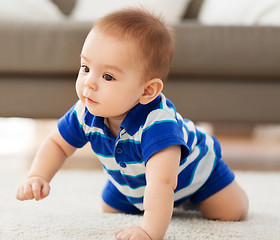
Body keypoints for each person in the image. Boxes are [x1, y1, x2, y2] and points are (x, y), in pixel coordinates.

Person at [16, 7, 249, 240]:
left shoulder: (158, 126)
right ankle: (143, 199)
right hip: (132, 183)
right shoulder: (85, 111)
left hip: (196, 175)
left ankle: (199, 199)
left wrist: (149, 231)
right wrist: (37, 175)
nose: (89, 83)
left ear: (148, 90)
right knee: (110, 209)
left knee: (230, 212)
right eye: (86, 68)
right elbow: (57, 143)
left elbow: (163, 182)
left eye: (107, 76)